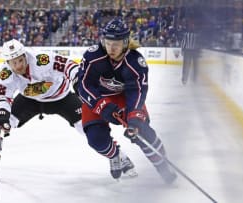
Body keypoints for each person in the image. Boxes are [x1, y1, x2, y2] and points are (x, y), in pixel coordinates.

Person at [0, 39, 84, 173]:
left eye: (20, 60)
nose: (18, 66)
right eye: (14, 63)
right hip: (29, 100)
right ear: (7, 63)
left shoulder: (42, 59)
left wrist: (78, 80)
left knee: (87, 126)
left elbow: (69, 66)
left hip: (61, 98)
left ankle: (110, 154)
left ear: (25, 55)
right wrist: (1, 114)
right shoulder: (5, 73)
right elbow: (2, 96)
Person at [76, 18, 177, 183]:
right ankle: (115, 155)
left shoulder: (135, 62)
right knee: (96, 139)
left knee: (143, 132)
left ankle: (162, 166)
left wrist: (134, 118)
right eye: (108, 43)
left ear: (125, 42)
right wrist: (102, 106)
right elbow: (84, 85)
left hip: (124, 98)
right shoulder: (93, 56)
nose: (111, 48)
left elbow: (137, 91)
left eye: (116, 43)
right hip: (98, 97)